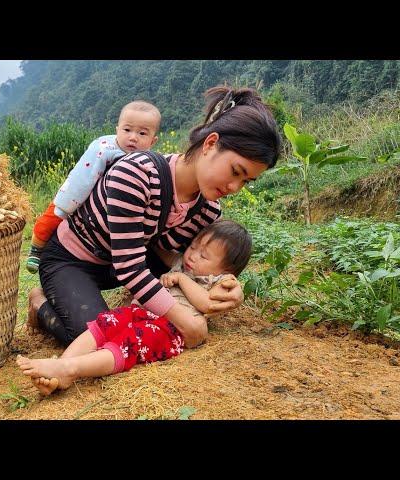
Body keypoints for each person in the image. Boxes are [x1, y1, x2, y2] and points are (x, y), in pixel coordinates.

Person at [27, 85, 282, 352]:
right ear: (210, 144)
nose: (234, 187)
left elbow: (183, 263)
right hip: (73, 259)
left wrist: (226, 284)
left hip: (119, 265)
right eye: (235, 171)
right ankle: (41, 304)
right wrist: (185, 321)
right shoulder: (137, 174)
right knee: (100, 341)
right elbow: (130, 266)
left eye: (245, 181)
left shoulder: (208, 210)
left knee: (142, 325)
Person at [18, 219, 252, 395]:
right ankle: (61, 368)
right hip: (139, 311)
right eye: (194, 246)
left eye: (204, 255)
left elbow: (205, 304)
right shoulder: (182, 261)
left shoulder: (215, 282)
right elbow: (158, 248)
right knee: (102, 325)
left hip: (168, 330)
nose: (193, 255)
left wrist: (182, 279)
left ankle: (71, 368)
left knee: (127, 343)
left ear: (225, 270)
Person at [25, 100, 161, 273]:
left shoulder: (148, 163)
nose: (133, 137)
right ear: (117, 129)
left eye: (142, 133)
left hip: (108, 209)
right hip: (80, 195)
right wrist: (69, 202)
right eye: (127, 130)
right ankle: (36, 249)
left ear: (153, 141)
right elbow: (82, 178)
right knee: (52, 218)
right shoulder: (105, 149)